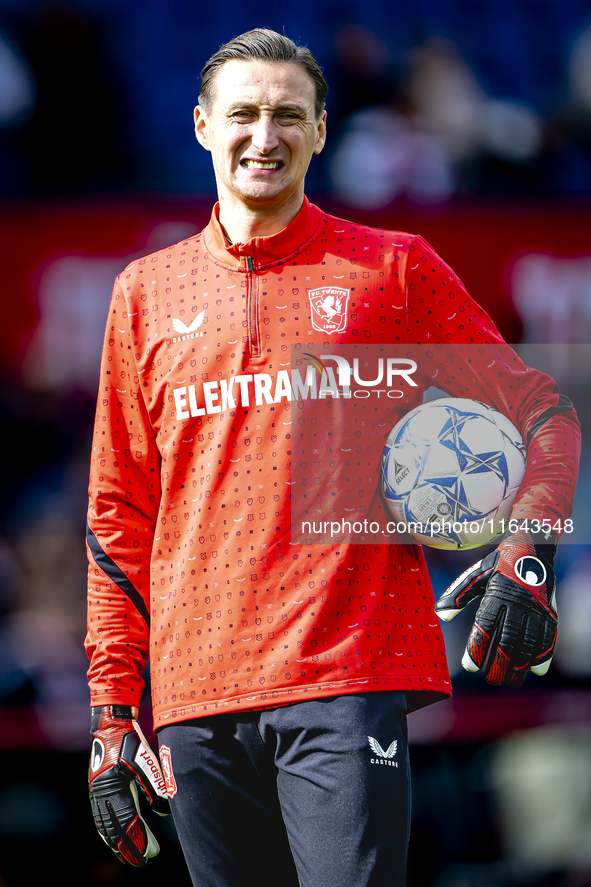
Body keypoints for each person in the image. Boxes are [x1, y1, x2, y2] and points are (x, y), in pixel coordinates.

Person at [86, 28, 580, 886]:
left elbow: (544, 414)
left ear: (321, 131)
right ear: (202, 125)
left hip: (345, 678)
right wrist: (109, 712)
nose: (264, 135)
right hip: (195, 695)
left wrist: (527, 548)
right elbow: (117, 517)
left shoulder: (390, 270)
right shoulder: (142, 294)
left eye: (288, 115)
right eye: (242, 113)